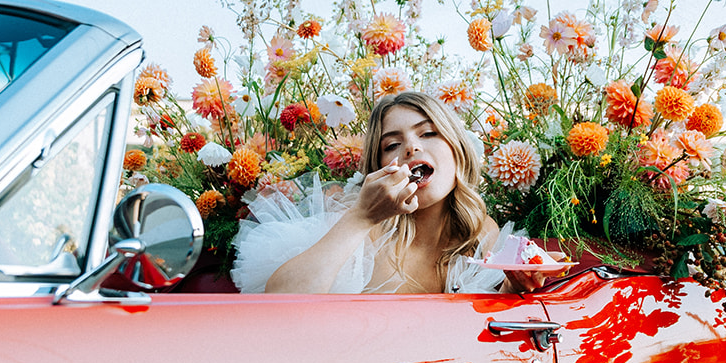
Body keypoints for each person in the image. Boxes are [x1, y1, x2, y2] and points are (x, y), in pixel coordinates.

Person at [231, 90, 542, 294]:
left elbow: (482, 324)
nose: (411, 147)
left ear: (457, 150)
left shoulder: (479, 231)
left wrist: (517, 286)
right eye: (392, 145)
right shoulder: (361, 228)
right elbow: (279, 303)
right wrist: (360, 218)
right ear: (379, 168)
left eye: (428, 133)